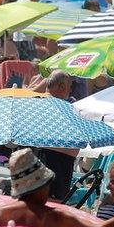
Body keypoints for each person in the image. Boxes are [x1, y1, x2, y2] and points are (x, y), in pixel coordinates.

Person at [37, 71, 81, 201]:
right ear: (61, 86)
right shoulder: (59, 107)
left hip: (52, 161)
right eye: (70, 86)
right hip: (54, 162)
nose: (71, 90)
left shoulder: (38, 102)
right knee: (52, 206)